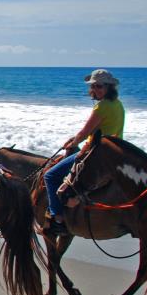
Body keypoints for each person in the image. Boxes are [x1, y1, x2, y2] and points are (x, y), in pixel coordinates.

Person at [44, 69, 125, 236]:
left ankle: (57, 219)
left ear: (109, 87)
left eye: (99, 86)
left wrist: (74, 142)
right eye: (93, 86)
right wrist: (74, 140)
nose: (95, 89)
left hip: (95, 153)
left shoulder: (102, 106)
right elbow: (93, 131)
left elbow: (84, 133)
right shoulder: (118, 104)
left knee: (50, 176)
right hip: (112, 153)